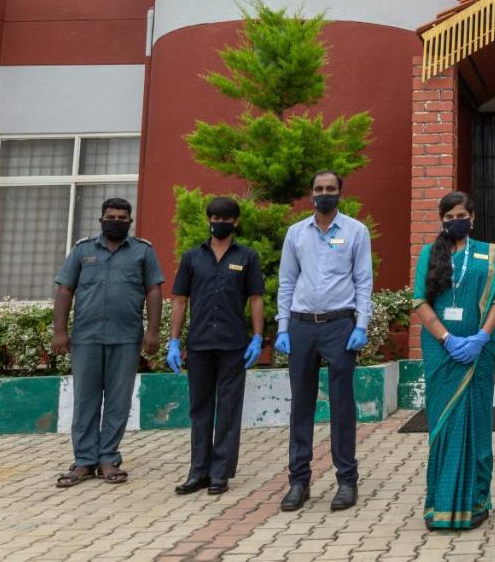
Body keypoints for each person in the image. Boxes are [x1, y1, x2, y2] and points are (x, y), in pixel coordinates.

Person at [274, 170, 374, 511]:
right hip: (302, 327)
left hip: (340, 326)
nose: (324, 193)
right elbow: (287, 281)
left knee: (342, 405)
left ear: (340, 193)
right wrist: (283, 328)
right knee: (300, 405)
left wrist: (361, 324)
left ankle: (346, 480)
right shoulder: (295, 233)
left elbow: (364, 281)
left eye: (331, 188)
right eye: (319, 189)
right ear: (311, 193)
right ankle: (298, 482)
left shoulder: (356, 232)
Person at [51, 197, 163, 488]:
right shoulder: (82, 250)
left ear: (130, 222)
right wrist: (59, 331)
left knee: (118, 400)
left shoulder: (143, 251)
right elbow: (65, 290)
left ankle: (108, 459)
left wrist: (152, 331)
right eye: (111, 216)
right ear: (101, 220)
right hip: (86, 338)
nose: (116, 221)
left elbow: (153, 291)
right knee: (86, 400)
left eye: (122, 217)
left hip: (126, 338)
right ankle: (85, 461)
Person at [410, 191, 495, 529]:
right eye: (448, 217)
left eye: (460, 215)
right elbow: (419, 301)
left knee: (477, 424)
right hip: (440, 351)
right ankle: (441, 504)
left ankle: (476, 503)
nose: (455, 221)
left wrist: (480, 338)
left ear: (473, 217)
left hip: (478, 353)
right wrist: (447, 338)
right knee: (445, 425)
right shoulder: (429, 254)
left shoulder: (490, 254)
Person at [166, 196, 266, 495]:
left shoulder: (247, 257)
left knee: (228, 409)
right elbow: (180, 299)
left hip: (233, 344)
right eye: (214, 217)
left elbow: (256, 298)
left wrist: (258, 338)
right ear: (208, 219)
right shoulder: (192, 257)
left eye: (225, 219)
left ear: (235, 222)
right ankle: (198, 472)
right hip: (198, 345)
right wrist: (174, 340)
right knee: (200, 409)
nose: (218, 223)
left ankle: (220, 473)